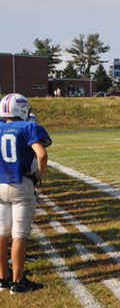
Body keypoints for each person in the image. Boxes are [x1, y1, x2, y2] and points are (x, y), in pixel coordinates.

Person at [0, 94, 49, 294]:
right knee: (19, 234)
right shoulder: (29, 127)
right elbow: (42, 153)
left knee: (1, 234)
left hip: (0, 184)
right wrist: (39, 174)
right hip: (20, 184)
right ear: (22, 109)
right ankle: (18, 283)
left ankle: (3, 279)